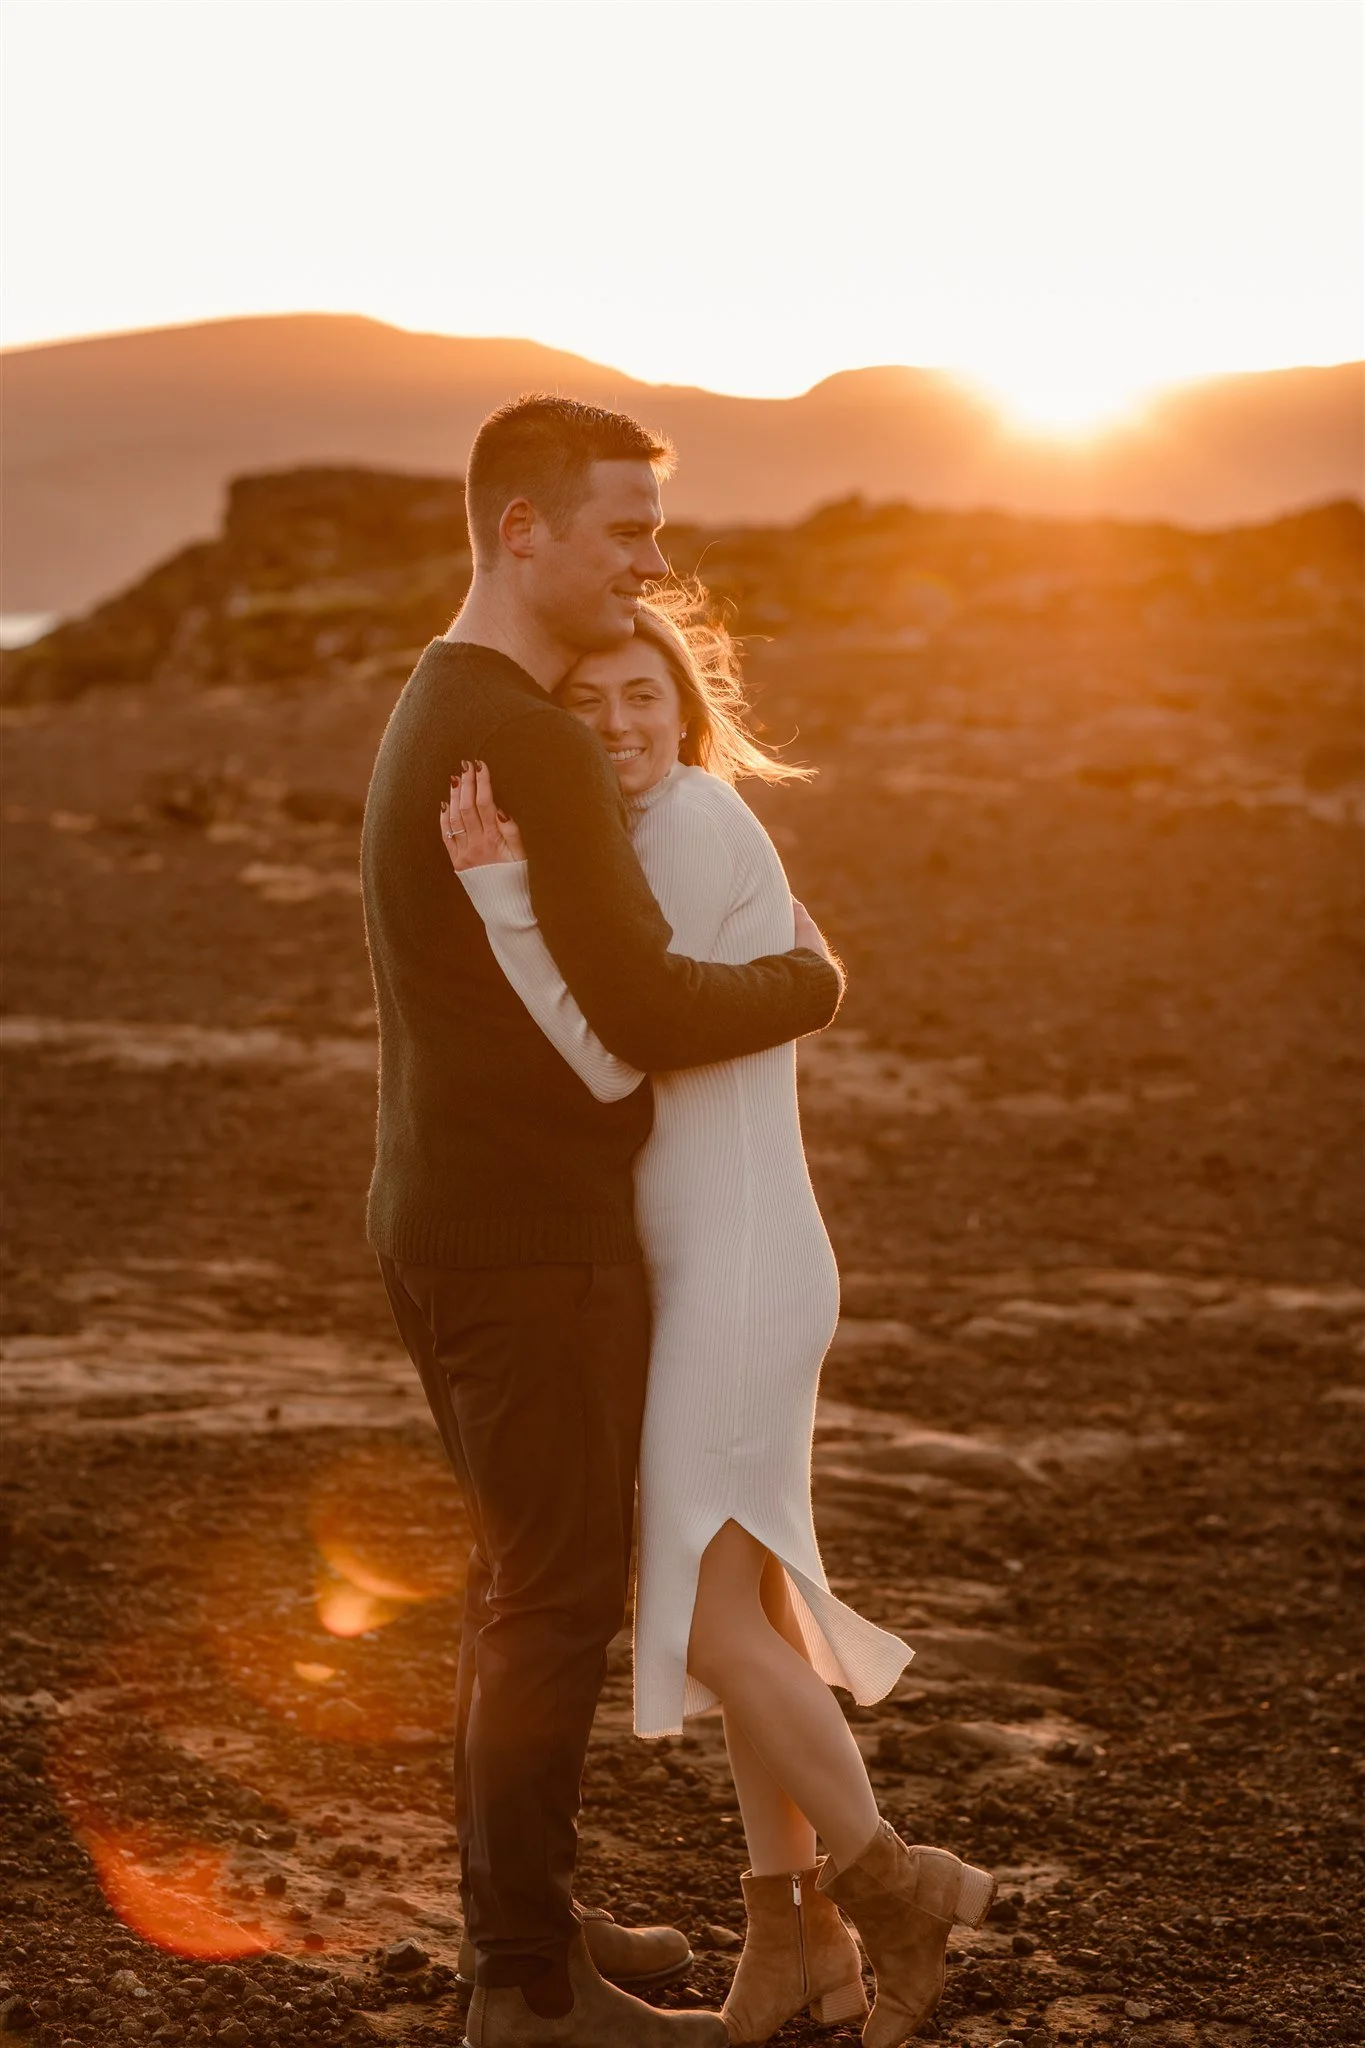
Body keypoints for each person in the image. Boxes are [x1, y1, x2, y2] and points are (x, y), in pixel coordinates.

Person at [440, 589, 997, 2048]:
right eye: (589, 704)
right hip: (724, 1261)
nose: (620, 724)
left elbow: (616, 1061)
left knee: (706, 1618)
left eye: (646, 698)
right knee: (737, 1617)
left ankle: (895, 1885)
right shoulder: (644, 841)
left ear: (685, 713)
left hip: (738, 1271)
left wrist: (501, 900)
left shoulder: (689, 827)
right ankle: (791, 1950)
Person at [360, 394, 845, 2048]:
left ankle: (530, 1930)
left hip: (438, 1216)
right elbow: (637, 1010)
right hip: (532, 1244)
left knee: (521, 1587)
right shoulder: (533, 737)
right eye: (626, 529)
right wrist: (811, 978)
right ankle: (527, 1990)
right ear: (523, 530)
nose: (653, 559)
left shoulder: (435, 701)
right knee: (555, 1603)